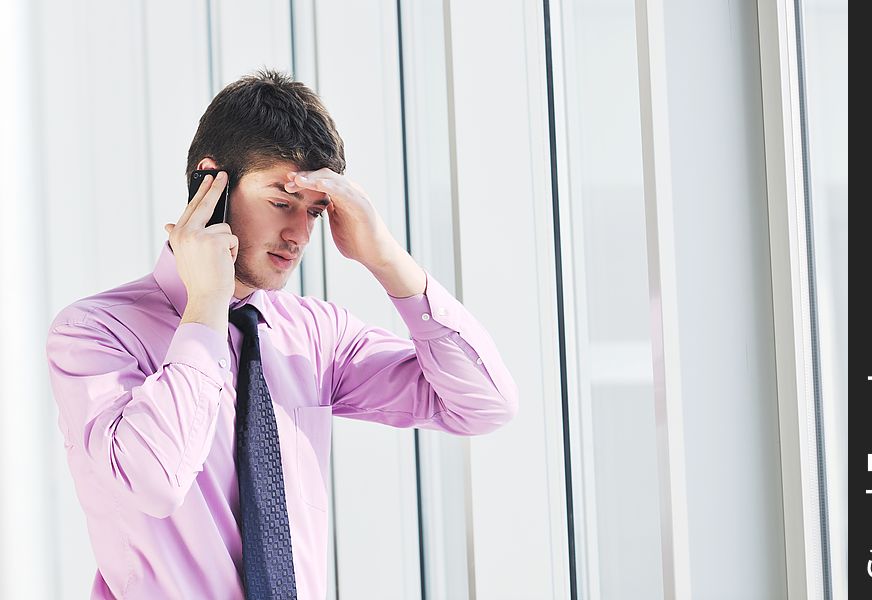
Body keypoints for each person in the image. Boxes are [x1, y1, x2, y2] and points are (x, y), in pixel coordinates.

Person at [45, 69, 518, 599]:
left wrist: (385, 258)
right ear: (211, 185)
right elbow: (152, 481)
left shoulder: (315, 336)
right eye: (280, 202)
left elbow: (483, 404)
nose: (299, 235)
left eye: (314, 212)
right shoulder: (95, 333)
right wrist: (205, 306)